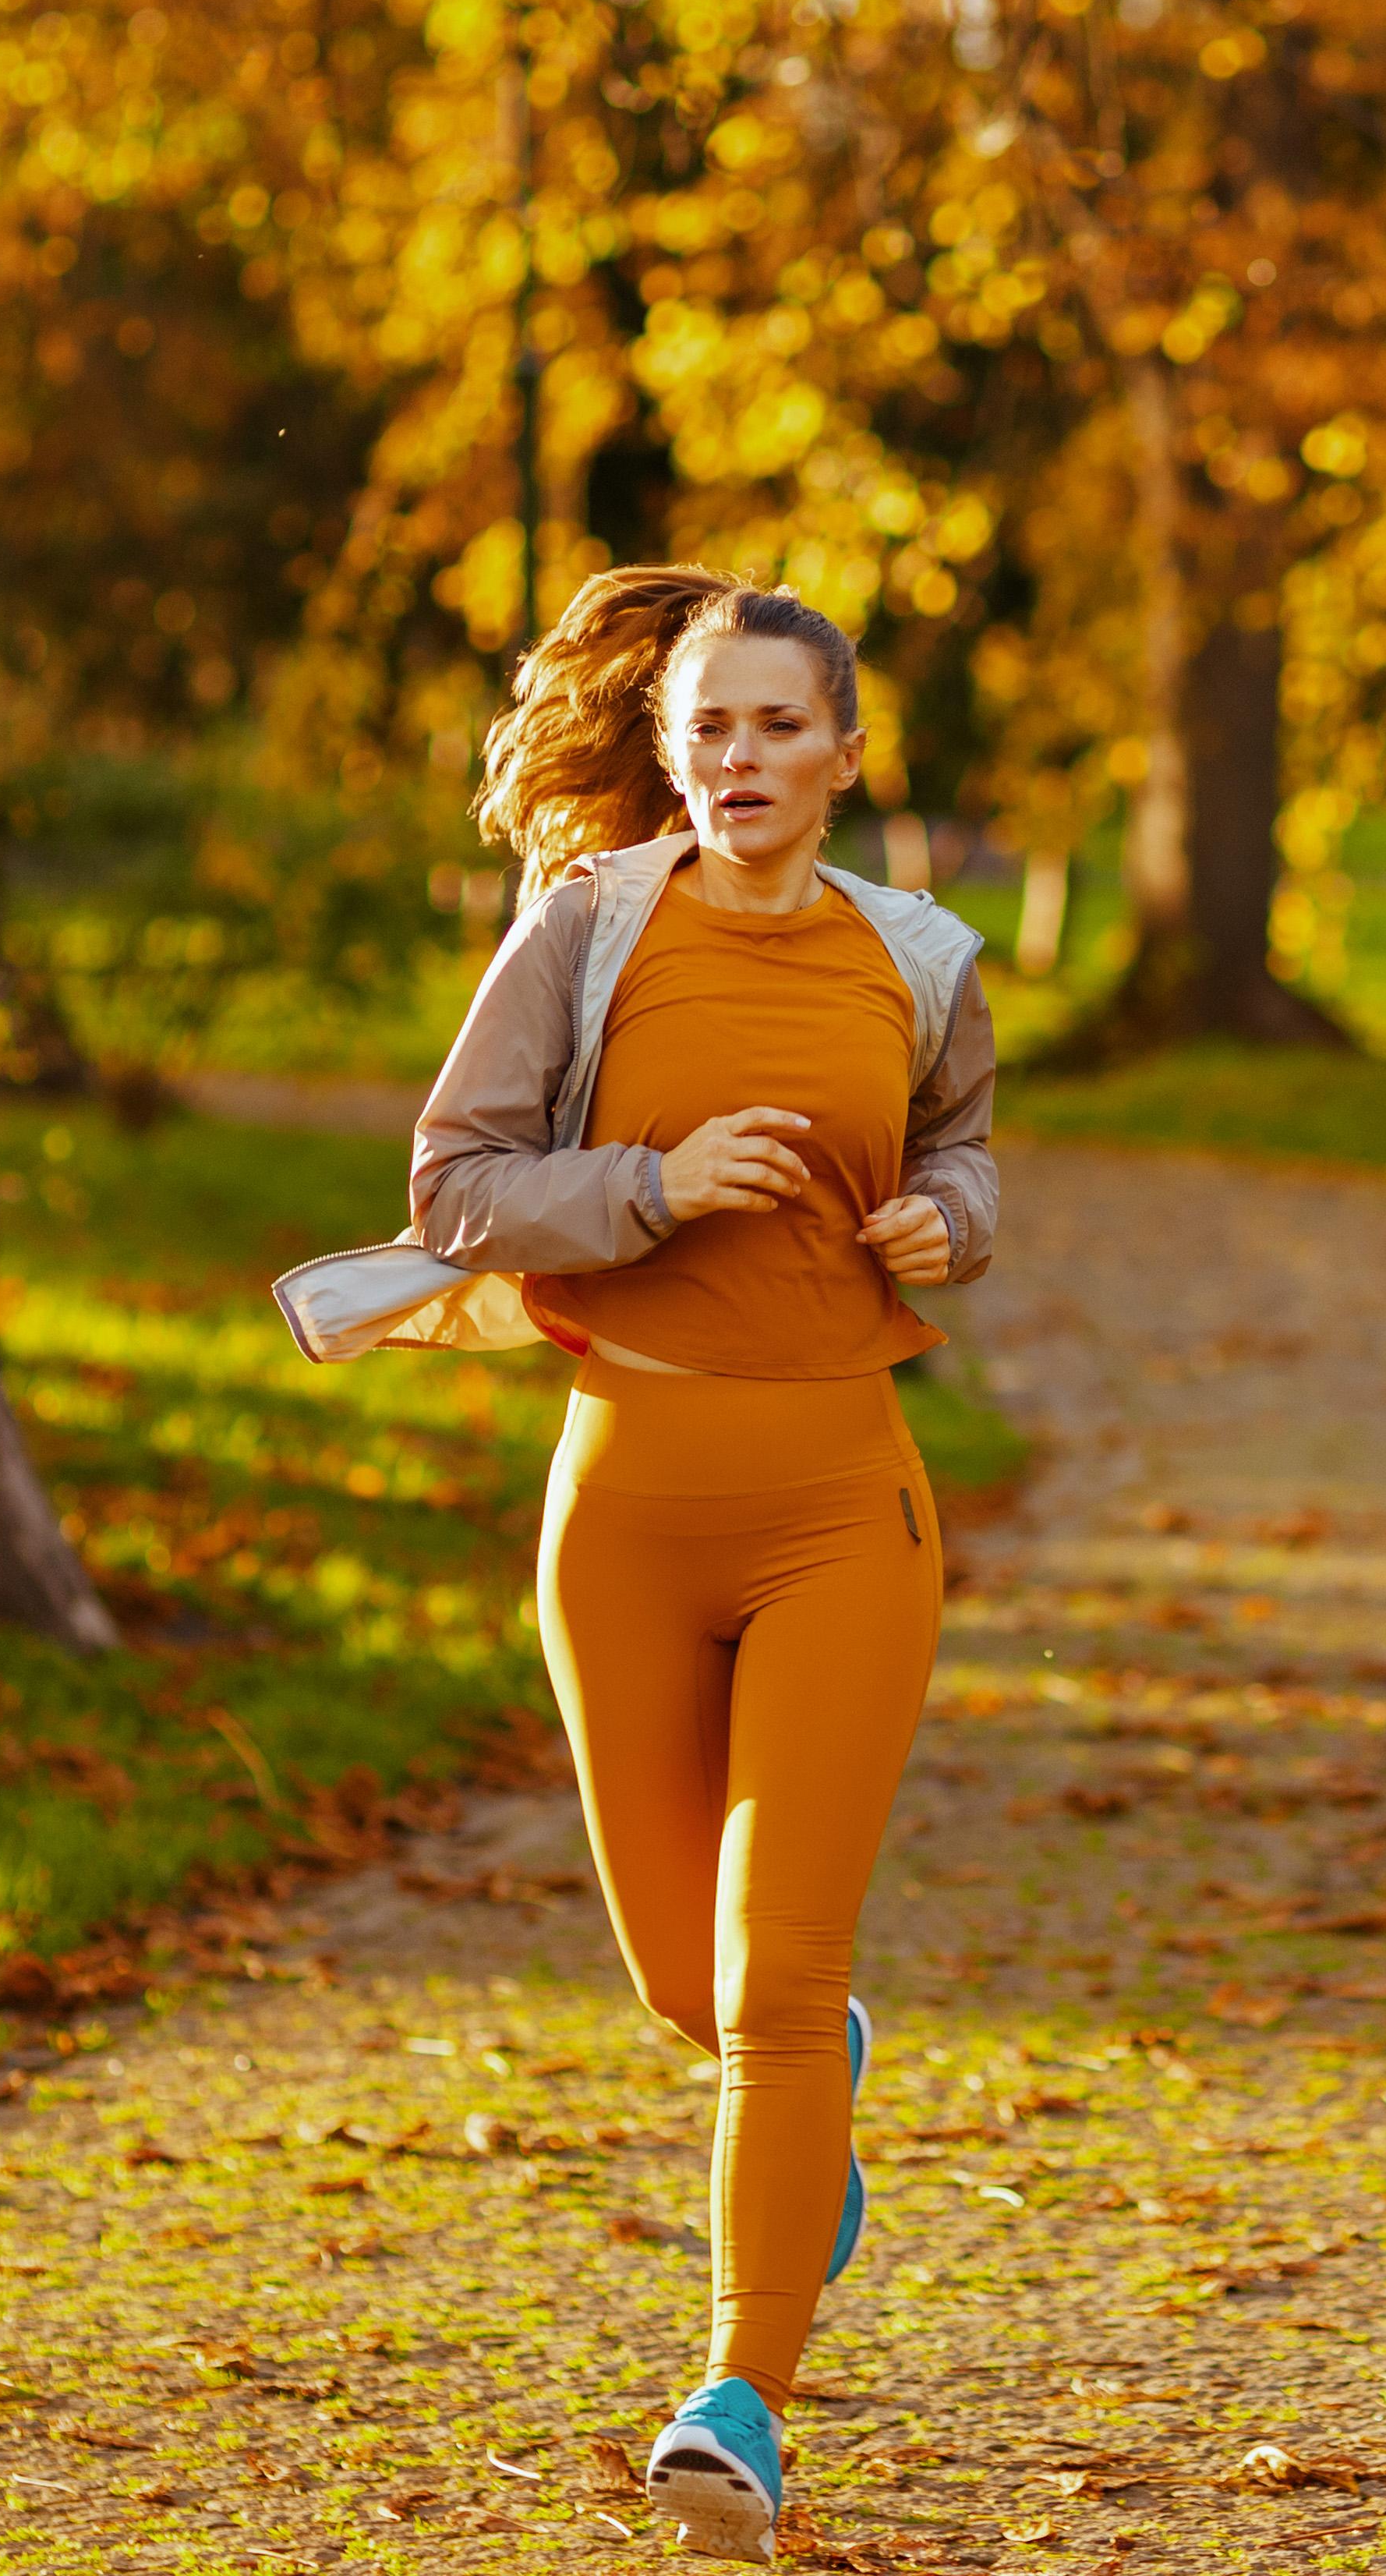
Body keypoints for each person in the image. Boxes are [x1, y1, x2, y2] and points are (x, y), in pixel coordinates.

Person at [401, 564, 997, 2564]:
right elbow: (457, 1183)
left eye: (775, 726)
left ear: (845, 749)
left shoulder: (915, 956)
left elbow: (965, 1152)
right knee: (696, 1983)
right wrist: (648, 1190)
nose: (740, 758)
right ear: (670, 751)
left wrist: (946, 1226)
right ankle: (811, 2086)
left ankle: (740, 2391)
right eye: (707, 728)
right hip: (625, 1507)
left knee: (776, 1973)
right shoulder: (586, 929)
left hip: (848, 1502)